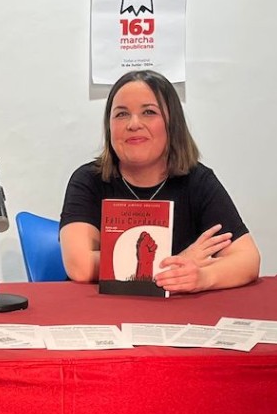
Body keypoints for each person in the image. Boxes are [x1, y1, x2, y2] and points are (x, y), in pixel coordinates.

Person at [59, 70, 260, 293]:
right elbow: (80, 267)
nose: (133, 124)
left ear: (172, 123)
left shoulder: (198, 181)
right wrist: (177, 261)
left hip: (178, 314)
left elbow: (248, 259)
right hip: (105, 311)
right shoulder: (89, 180)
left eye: (148, 112)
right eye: (121, 114)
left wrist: (203, 276)